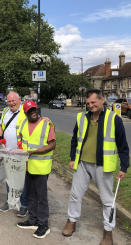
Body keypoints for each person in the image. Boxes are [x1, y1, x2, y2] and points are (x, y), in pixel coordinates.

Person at [62, 89, 129, 245]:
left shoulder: (114, 119)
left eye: (93, 102)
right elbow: (74, 140)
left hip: (103, 166)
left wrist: (124, 167)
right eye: (88, 103)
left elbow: (123, 146)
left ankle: (108, 231)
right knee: (75, 195)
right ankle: (71, 221)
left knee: (107, 200)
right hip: (82, 163)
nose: (91, 106)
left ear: (102, 100)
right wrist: (73, 158)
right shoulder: (81, 117)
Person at [17, 100, 56, 239]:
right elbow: (20, 141)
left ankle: (43, 224)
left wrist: (34, 151)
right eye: (29, 111)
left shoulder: (47, 124)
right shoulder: (23, 124)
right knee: (30, 195)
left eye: (34, 109)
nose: (33, 112)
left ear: (37, 109)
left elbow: (52, 145)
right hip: (27, 166)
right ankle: (32, 220)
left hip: (41, 167)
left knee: (42, 197)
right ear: (25, 113)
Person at [0, 92, 28, 217]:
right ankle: (10, 202)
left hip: (21, 151)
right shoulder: (5, 112)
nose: (11, 103)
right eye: (9, 101)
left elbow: (36, 121)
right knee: (9, 177)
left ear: (19, 100)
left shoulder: (25, 110)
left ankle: (23, 205)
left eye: (13, 101)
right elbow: (0, 126)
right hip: (7, 151)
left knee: (21, 179)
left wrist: (45, 120)